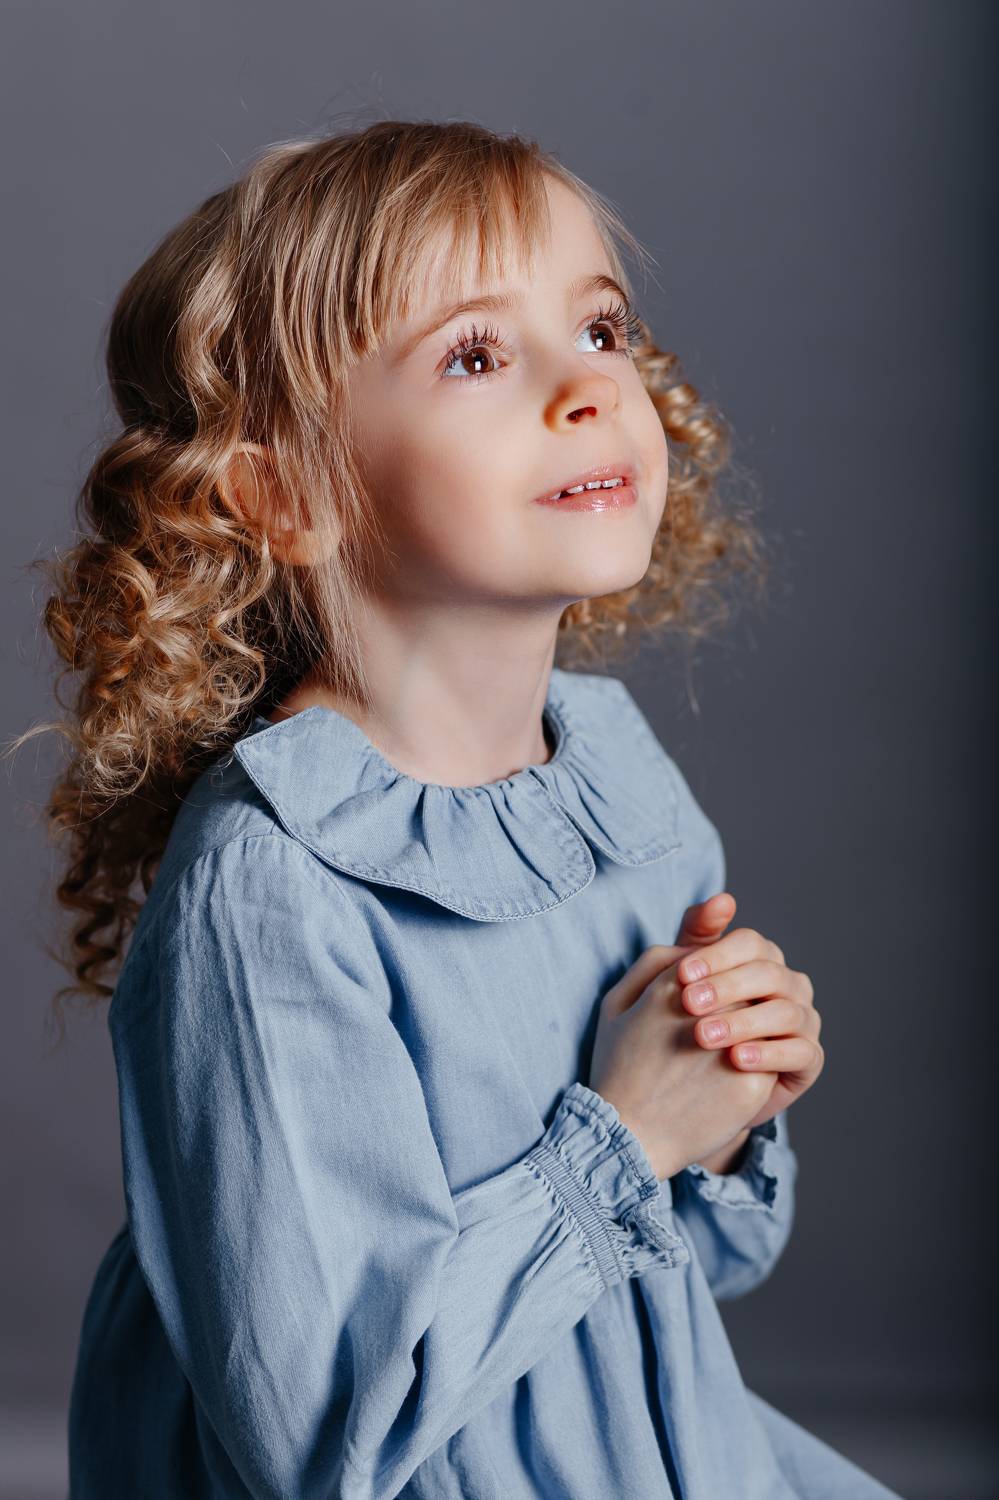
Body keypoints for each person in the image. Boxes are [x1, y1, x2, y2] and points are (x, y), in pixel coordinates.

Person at [14, 119, 902, 1497]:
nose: (588, 385)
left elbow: (694, 1269)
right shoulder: (274, 885)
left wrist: (720, 1105)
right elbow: (321, 1435)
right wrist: (628, 1135)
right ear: (286, 494)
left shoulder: (620, 787)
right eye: (478, 356)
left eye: (600, 328)